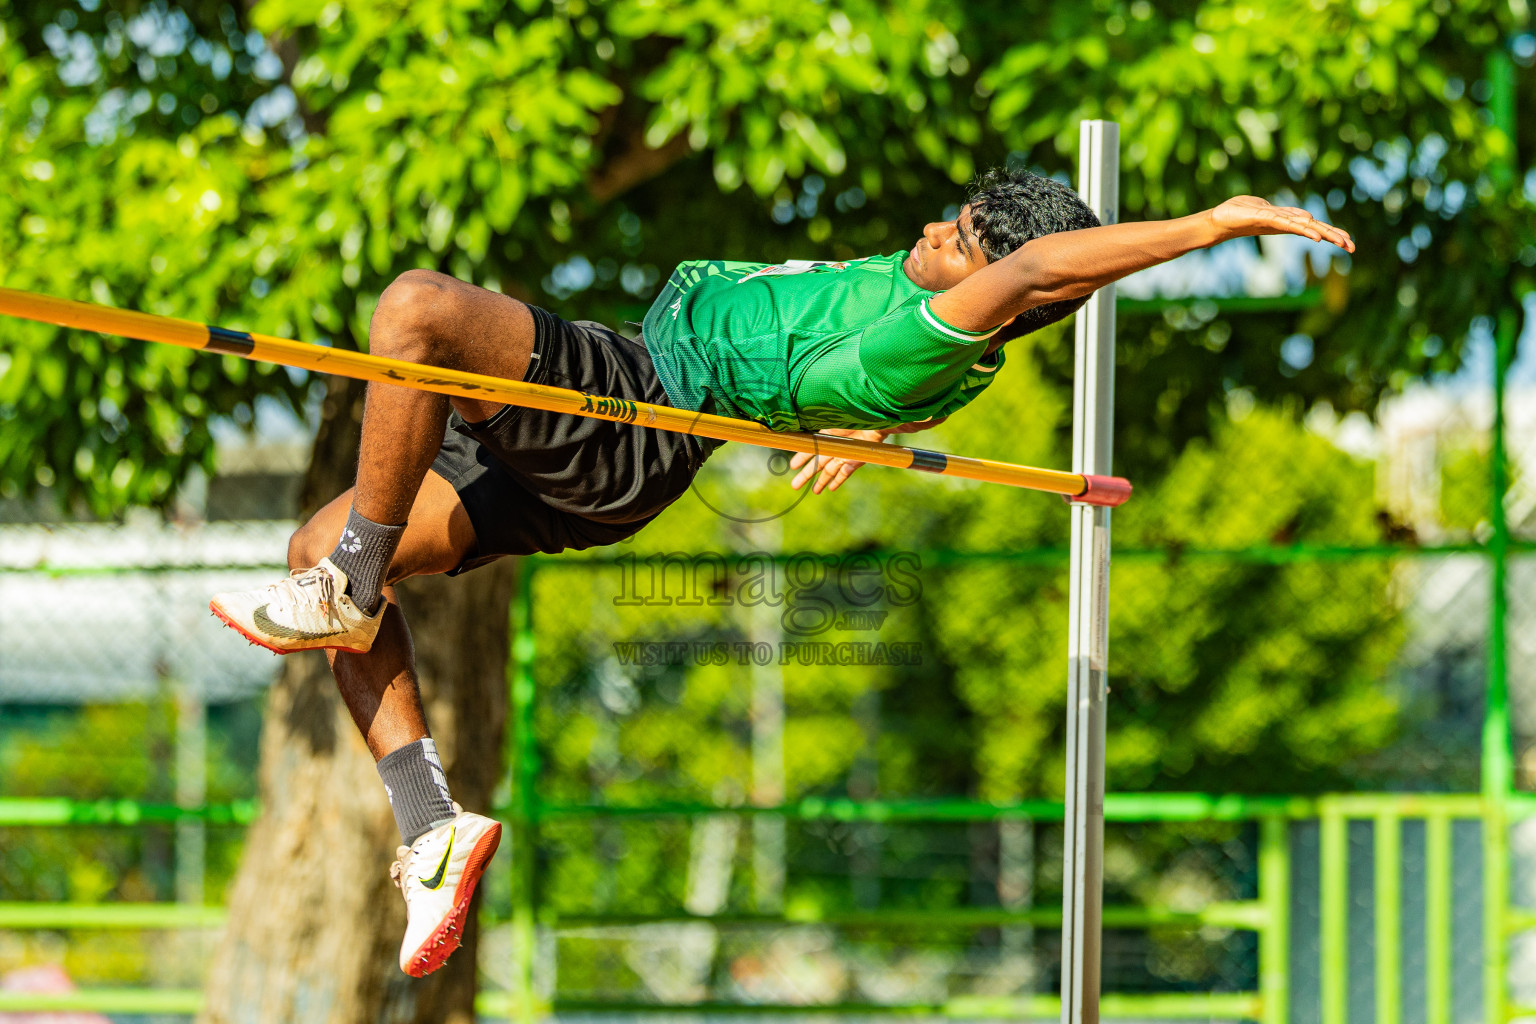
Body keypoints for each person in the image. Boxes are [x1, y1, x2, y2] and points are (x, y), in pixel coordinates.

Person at [209, 168, 1353, 976]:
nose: (932, 233)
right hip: (622, 435)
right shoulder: (919, 322)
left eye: (960, 237)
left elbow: (1048, 266)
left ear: (1000, 285)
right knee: (318, 539)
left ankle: (353, 582)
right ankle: (429, 822)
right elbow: (872, 331)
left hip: (639, 407)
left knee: (417, 312)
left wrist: (1211, 223)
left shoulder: (948, 327)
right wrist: (842, 425)